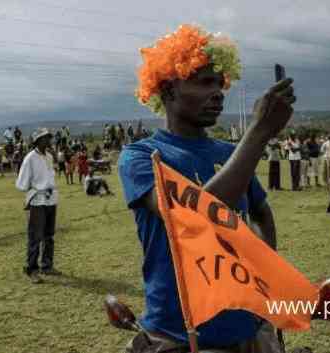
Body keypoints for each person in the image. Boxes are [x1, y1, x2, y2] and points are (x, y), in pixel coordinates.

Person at [118, 24, 295, 353]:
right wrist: (258, 132)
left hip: (249, 325)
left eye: (220, 83)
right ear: (169, 91)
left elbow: (259, 210)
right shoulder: (141, 156)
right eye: (204, 82)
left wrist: (266, 271)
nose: (218, 92)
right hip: (180, 333)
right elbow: (189, 220)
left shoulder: (228, 154)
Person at [15, 128, 61, 284]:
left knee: (49, 235)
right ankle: (31, 269)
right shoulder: (30, 158)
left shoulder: (48, 156)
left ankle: (46, 265)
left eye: (49, 138)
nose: (49, 141)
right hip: (37, 201)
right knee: (35, 236)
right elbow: (22, 184)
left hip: (50, 200)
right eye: (45, 138)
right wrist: (36, 189)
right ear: (38, 141)